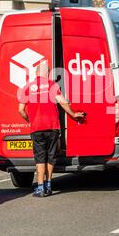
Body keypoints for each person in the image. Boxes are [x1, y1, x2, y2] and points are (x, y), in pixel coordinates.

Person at [18, 61, 85, 197]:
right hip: (52, 127)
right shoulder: (52, 85)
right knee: (51, 157)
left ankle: (41, 188)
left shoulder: (27, 87)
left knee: (40, 158)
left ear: (36, 73)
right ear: (47, 74)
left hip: (37, 128)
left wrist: (31, 121)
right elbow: (62, 102)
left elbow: (20, 110)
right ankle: (48, 185)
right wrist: (73, 114)